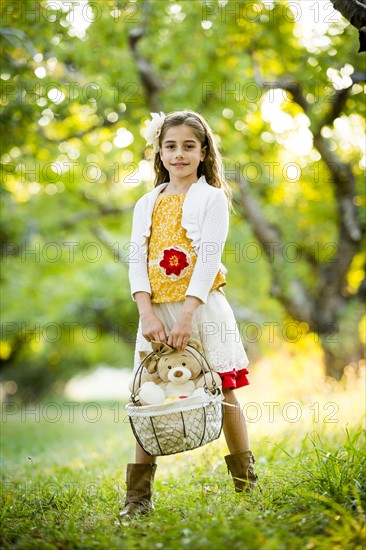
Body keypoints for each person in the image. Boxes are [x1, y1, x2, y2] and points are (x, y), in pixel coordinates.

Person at [120, 110, 257, 519]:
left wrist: (187, 317)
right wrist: (147, 313)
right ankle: (137, 499)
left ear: (202, 152)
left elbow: (208, 259)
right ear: (159, 153)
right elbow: (136, 260)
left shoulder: (211, 198)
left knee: (225, 388)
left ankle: (246, 488)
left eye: (188, 146)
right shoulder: (146, 203)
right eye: (170, 146)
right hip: (156, 312)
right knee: (149, 394)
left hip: (202, 307)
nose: (178, 154)